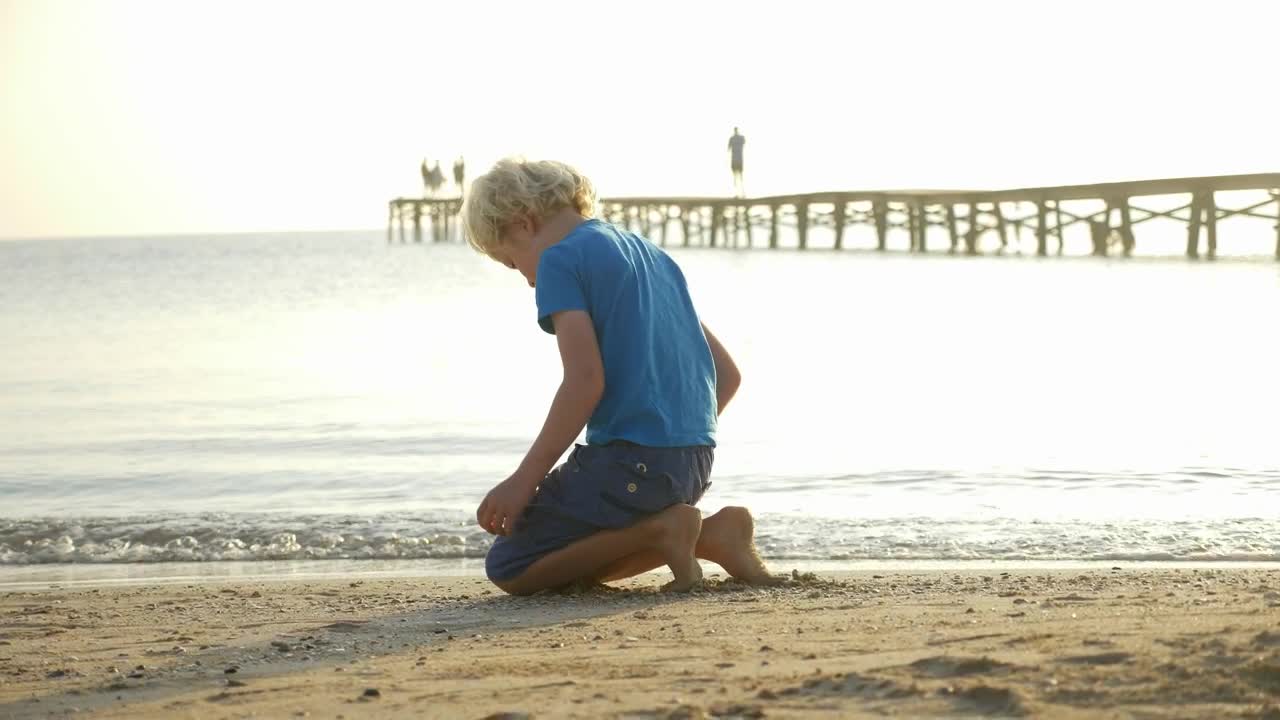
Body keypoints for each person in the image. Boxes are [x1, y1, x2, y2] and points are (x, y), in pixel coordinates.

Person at [461, 157, 778, 596]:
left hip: (628, 464)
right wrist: (672, 439)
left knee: (512, 564)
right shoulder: (652, 255)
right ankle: (709, 535)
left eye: (511, 263)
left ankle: (666, 529)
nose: (528, 282)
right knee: (582, 555)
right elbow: (726, 376)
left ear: (523, 224)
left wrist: (524, 480)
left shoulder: (559, 260)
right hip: (691, 466)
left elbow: (584, 382)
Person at [727, 127, 746, 197]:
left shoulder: (732, 139)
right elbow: (744, 144)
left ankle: (738, 193)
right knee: (740, 176)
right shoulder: (741, 138)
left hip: (735, 159)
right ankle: (741, 193)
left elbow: (728, 149)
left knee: (736, 177)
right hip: (739, 159)